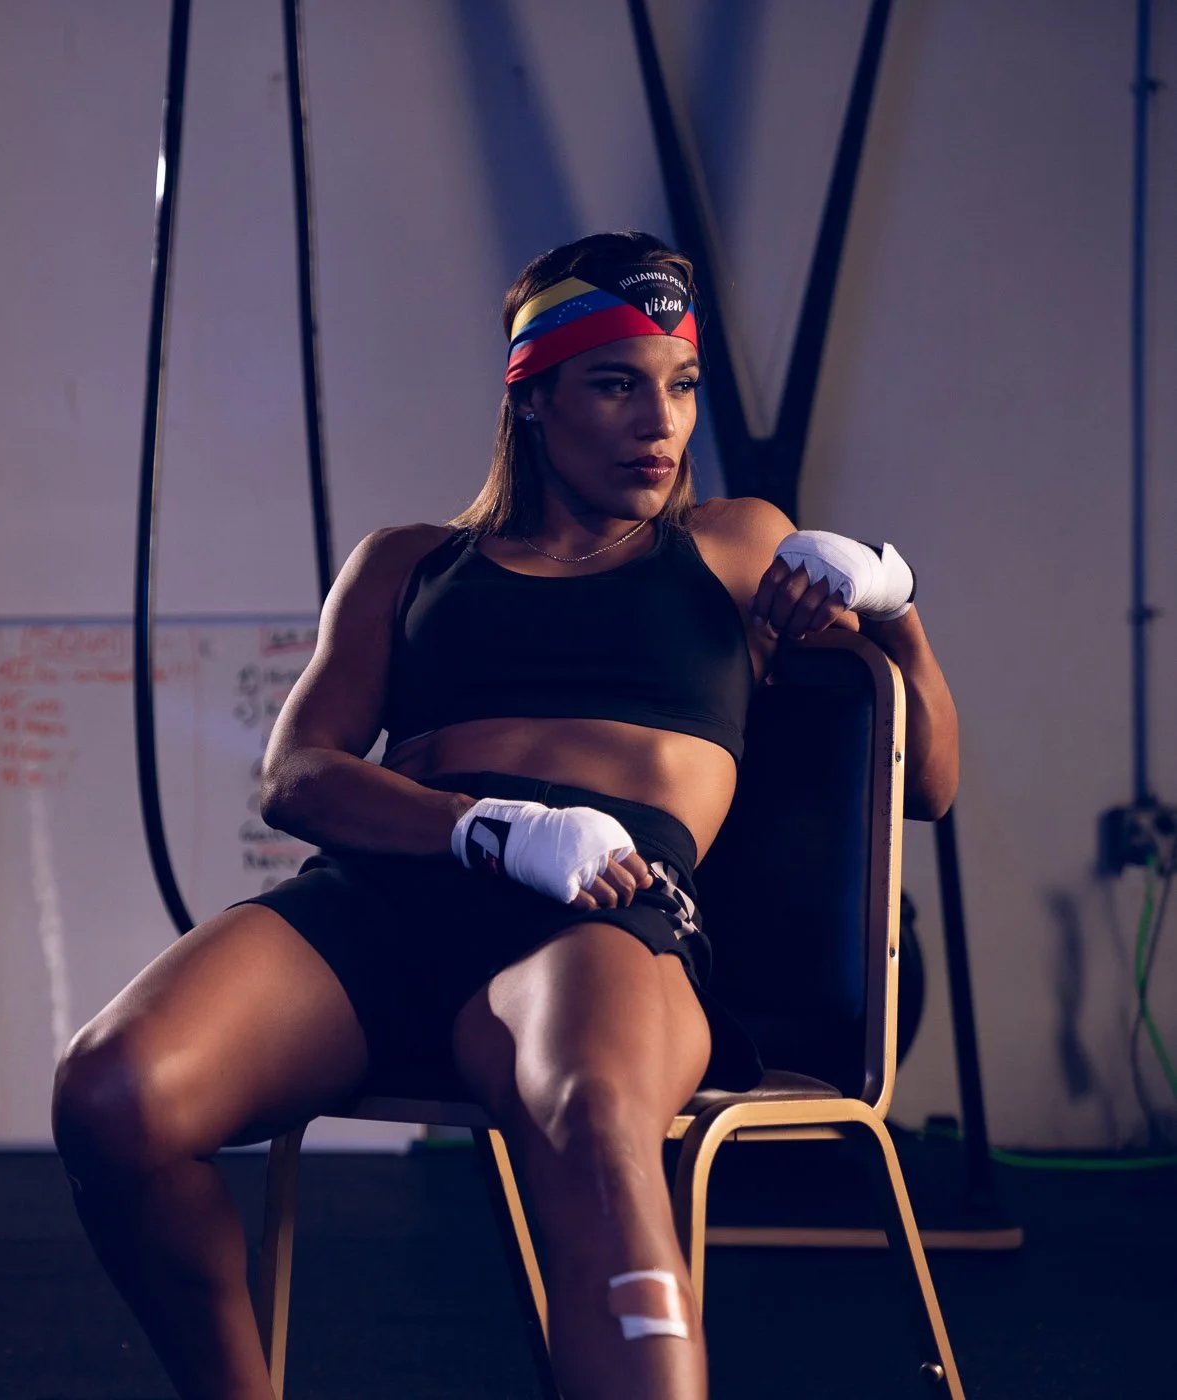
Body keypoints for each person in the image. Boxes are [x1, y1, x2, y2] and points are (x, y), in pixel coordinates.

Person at [51, 230, 960, 1400]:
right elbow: (295, 775)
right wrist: (490, 827)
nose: (659, 421)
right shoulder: (408, 563)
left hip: (597, 914)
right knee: (110, 1092)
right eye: (615, 382)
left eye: (678, 384)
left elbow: (924, 782)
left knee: (590, 1123)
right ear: (531, 397)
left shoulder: (732, 546)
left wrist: (897, 610)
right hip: (387, 901)